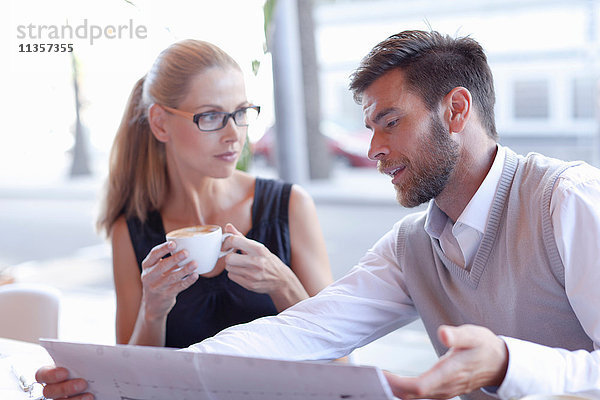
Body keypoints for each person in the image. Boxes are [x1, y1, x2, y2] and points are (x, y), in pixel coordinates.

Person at [37, 30, 600, 400]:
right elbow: (301, 331)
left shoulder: (564, 201)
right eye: (369, 125)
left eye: (389, 121)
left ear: (455, 111)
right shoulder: (409, 247)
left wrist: (506, 363)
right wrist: (113, 379)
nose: (372, 146)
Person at [93, 39, 333, 349]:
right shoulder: (131, 231)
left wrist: (282, 284)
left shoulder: (290, 206)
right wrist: (152, 313)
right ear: (160, 123)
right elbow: (128, 381)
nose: (234, 135)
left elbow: (338, 359)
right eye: (210, 116)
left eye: (241, 112)